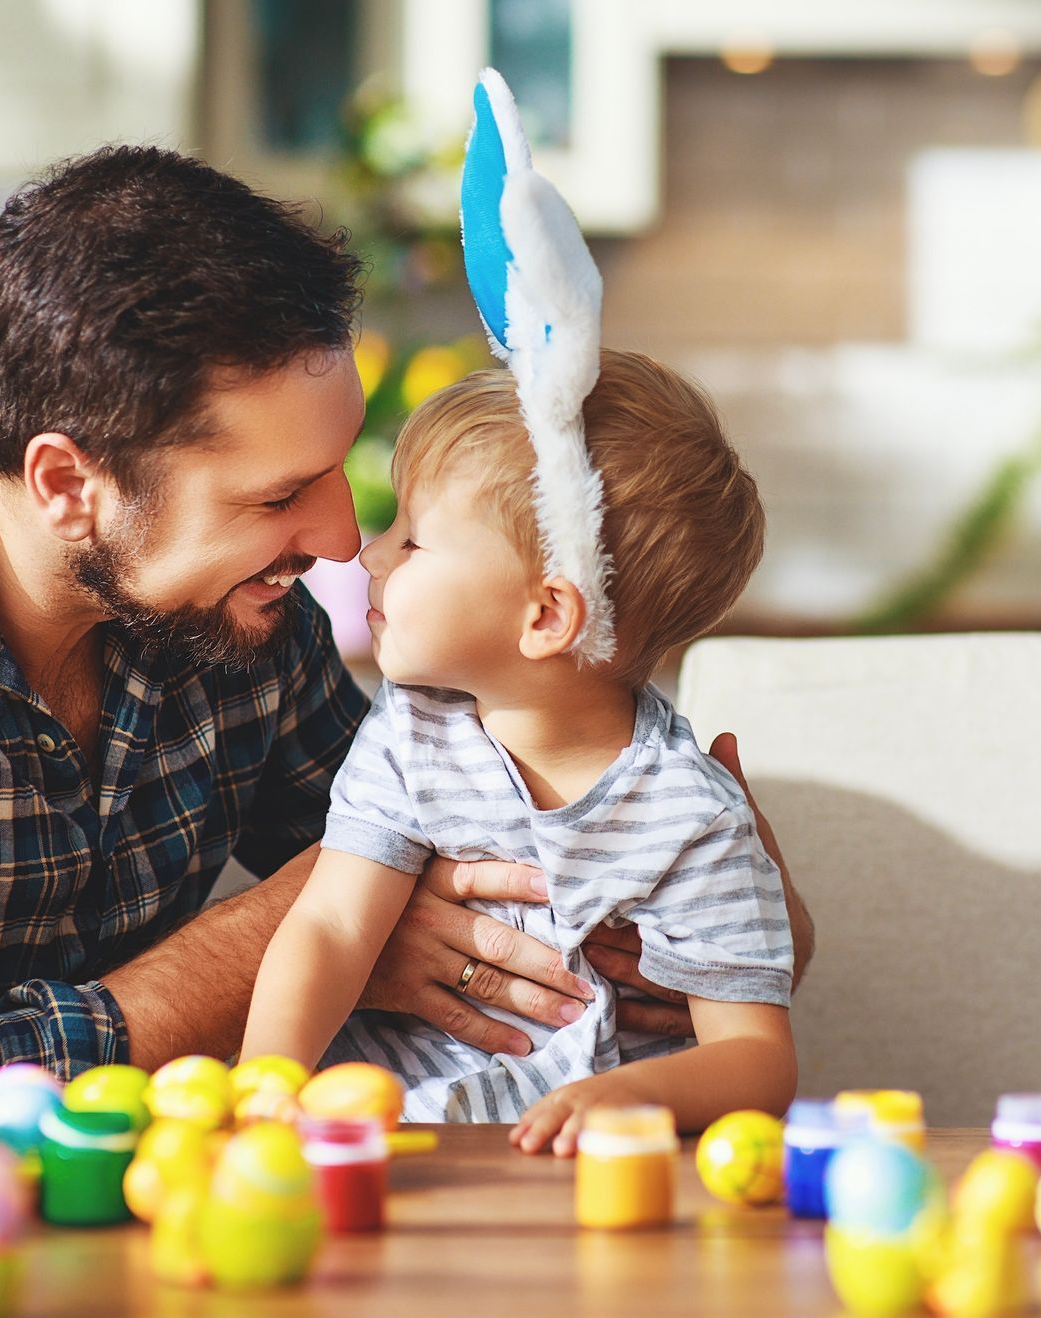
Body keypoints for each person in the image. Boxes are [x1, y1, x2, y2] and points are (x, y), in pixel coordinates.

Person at [0, 145, 811, 1124]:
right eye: (274, 496)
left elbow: (462, 879)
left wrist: (669, 920)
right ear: (67, 485)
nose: (334, 537)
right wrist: (301, 933)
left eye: (333, 472)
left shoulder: (218, 605)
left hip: (104, 1213)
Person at [240, 72, 795, 1155]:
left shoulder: (692, 815)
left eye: (413, 533)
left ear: (547, 614)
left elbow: (759, 1059)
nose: (369, 549)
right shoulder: (413, 738)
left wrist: (639, 1096)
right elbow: (330, 927)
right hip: (398, 1149)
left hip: (575, 1169)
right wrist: (266, 1085)